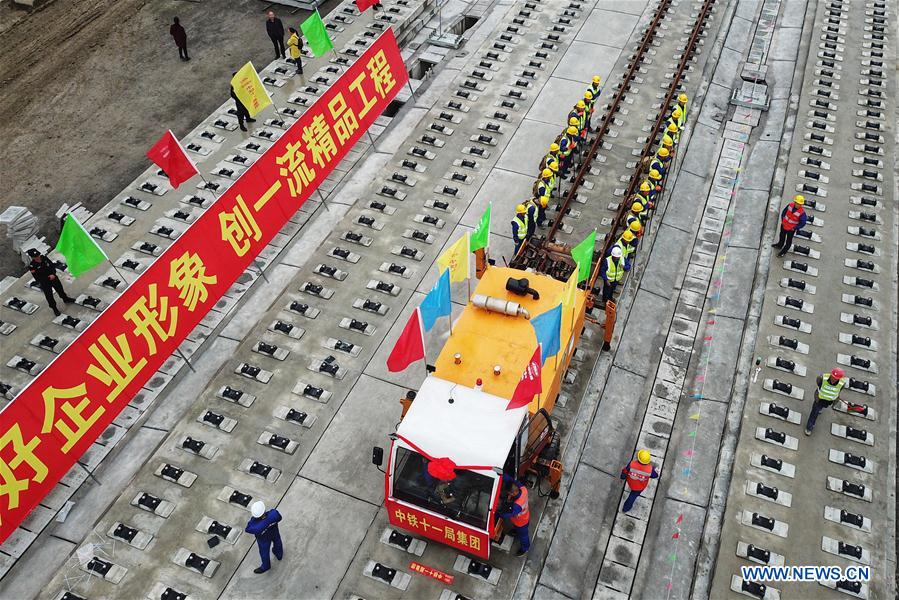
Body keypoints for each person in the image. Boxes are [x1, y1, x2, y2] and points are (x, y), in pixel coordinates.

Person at [27, 249, 74, 317]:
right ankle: (54, 308)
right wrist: (48, 278)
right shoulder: (32, 266)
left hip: (54, 278)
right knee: (49, 296)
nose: (38, 257)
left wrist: (53, 274)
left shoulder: (44, 258)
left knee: (60, 289)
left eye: (38, 255)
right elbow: (37, 278)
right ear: (32, 257)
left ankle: (65, 299)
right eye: (36, 256)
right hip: (45, 282)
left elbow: (52, 265)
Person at [804, 368, 847, 435]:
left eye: (835, 378)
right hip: (819, 399)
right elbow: (818, 383)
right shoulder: (822, 378)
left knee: (823, 407)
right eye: (833, 377)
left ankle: (820, 408)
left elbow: (839, 390)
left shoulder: (842, 383)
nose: (833, 379)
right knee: (814, 413)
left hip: (829, 400)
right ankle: (809, 427)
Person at [246, 501, 284, 574]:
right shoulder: (274, 514)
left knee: (264, 553)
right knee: (278, 542)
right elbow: (279, 518)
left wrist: (253, 520)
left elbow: (248, 528)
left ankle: (266, 566)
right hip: (274, 532)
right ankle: (279, 554)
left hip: (263, 539)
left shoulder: (255, 527)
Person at [496, 475, 530, 556]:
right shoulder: (523, 489)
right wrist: (501, 474)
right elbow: (512, 480)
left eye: (510, 493)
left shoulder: (517, 505)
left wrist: (497, 513)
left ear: (514, 492)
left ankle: (525, 548)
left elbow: (507, 515)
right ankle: (516, 531)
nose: (509, 495)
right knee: (518, 529)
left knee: (523, 536)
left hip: (521, 522)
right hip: (523, 517)